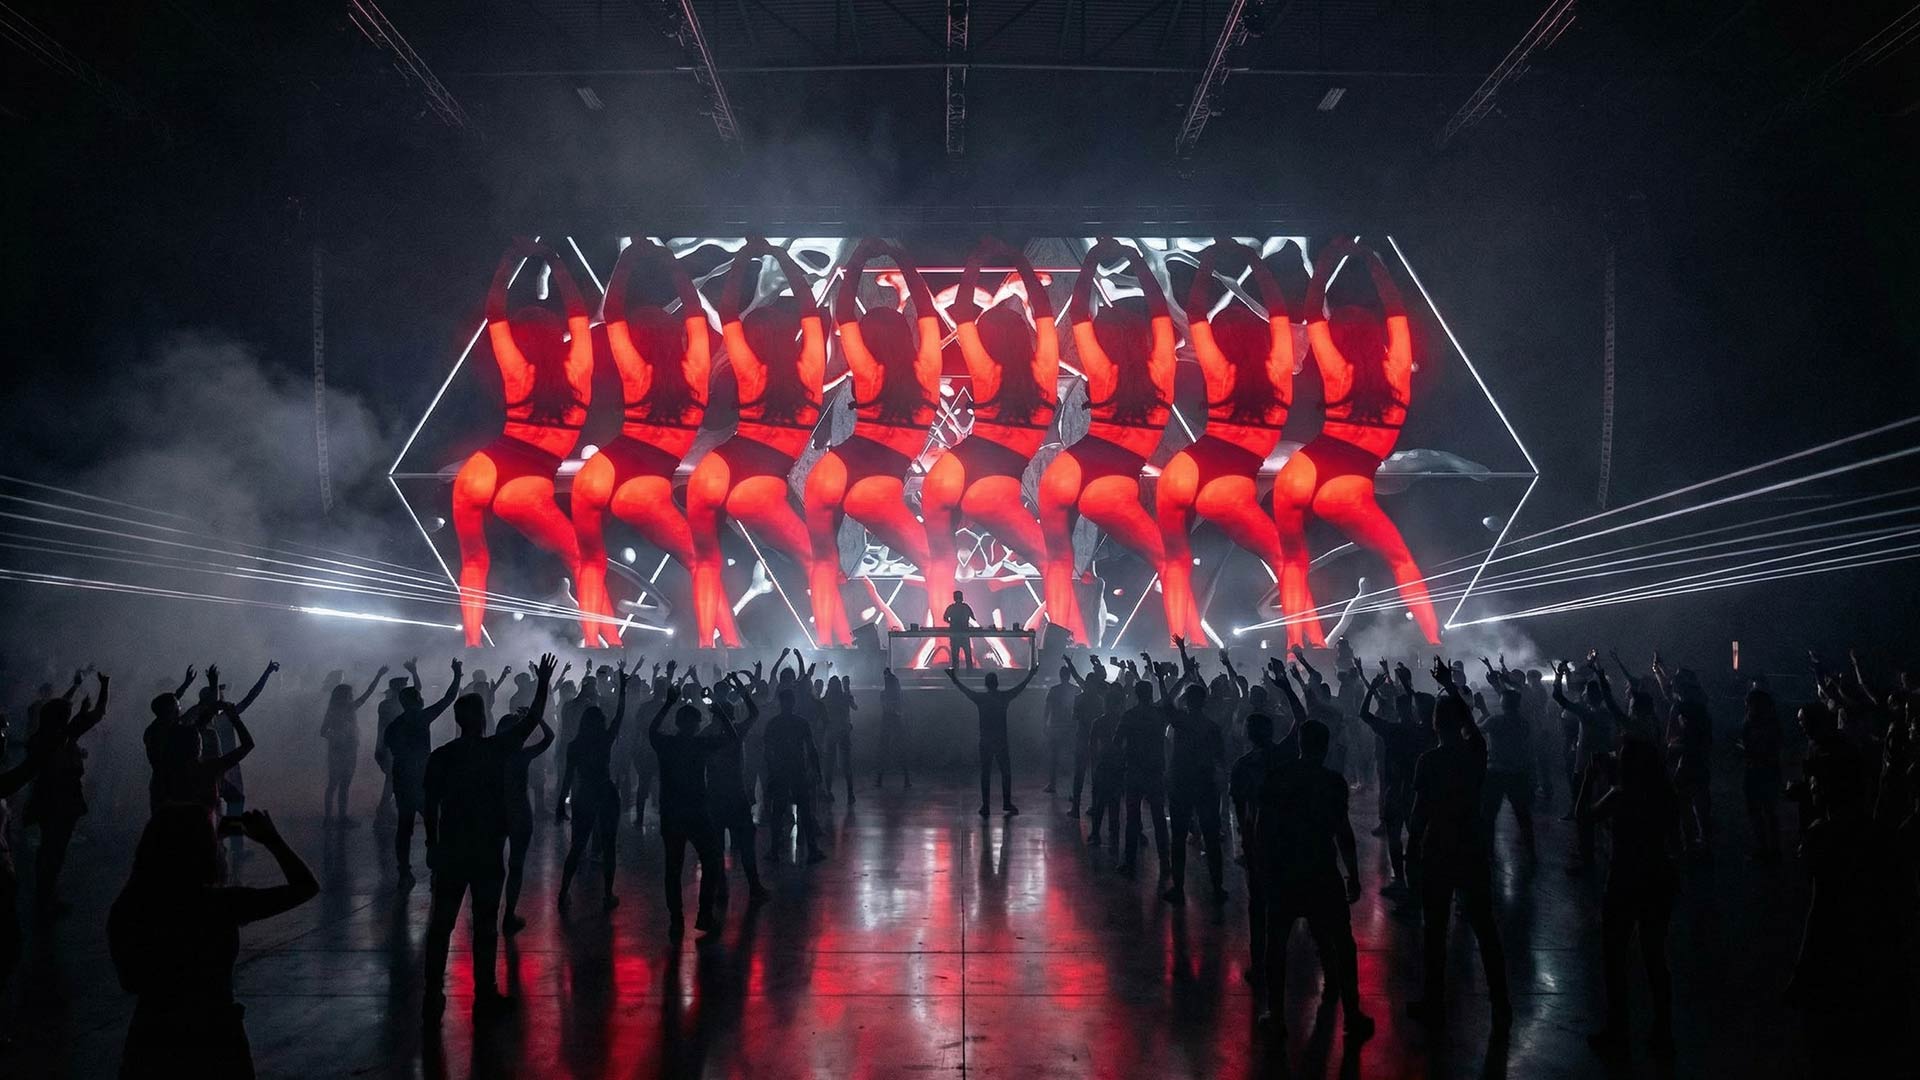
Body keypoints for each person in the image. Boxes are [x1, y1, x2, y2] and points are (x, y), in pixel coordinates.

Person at [1272, 237, 1439, 647]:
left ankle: (1295, 649)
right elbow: (1395, 310)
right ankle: (1436, 641)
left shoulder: (1338, 366)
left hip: (1310, 465)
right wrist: (1375, 265)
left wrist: (1325, 264)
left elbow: (1314, 313)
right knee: (1401, 560)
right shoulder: (1398, 366)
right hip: (1350, 480)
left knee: (1292, 559)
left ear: (1342, 337)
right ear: (1376, 335)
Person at [573, 239, 737, 647]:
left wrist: (626, 261)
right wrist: (673, 266)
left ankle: (598, 643)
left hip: (608, 467)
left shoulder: (635, 367)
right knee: (700, 561)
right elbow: (696, 313)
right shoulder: (695, 367)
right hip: (645, 482)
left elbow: (612, 314)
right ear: (675, 335)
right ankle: (724, 642)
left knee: (589, 557)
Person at [451, 239, 602, 646]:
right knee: (583, 557)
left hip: (486, 465)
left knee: (474, 560)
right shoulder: (578, 368)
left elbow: (494, 312)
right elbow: (578, 314)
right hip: (528, 478)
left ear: (523, 338)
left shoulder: (516, 366)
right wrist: (556, 263)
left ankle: (472, 644)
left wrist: (507, 262)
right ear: (558, 337)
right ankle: (598, 641)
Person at [686, 238, 826, 646]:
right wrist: (783, 260)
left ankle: (710, 645)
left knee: (705, 561)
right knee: (816, 561)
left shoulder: (749, 369)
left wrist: (747, 258)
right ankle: (834, 644)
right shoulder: (810, 368)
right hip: (761, 480)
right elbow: (810, 311)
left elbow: (730, 312)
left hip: (722, 466)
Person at [109, 806, 318, 1077]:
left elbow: (129, 981)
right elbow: (305, 887)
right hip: (217, 1038)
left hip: (151, 1038)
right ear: (204, 855)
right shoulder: (218, 906)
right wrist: (272, 840)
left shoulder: (130, 908)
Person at [1159, 240, 1298, 644]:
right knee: (1287, 562)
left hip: (1192, 463)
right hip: (1231, 476)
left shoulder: (1219, 366)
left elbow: (1196, 313)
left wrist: (1207, 265)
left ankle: (1181, 645)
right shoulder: (1278, 368)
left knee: (1175, 561)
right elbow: (1279, 313)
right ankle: (1301, 646)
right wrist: (1256, 263)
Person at [1038, 238, 1175, 645]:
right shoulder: (1161, 369)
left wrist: (1091, 263)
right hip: (1113, 478)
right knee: (1168, 562)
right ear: (1142, 338)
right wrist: (1139, 263)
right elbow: (1161, 312)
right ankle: (1184, 644)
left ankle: (1062, 645)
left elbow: (1079, 314)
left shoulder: (1102, 370)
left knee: (1058, 562)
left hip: (1072, 466)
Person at [805, 240, 944, 641]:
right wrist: (904, 259)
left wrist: (858, 259)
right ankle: (944, 641)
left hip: (837, 466)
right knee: (934, 561)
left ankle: (830, 644)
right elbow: (927, 313)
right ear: (904, 334)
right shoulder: (927, 368)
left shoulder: (866, 369)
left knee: (824, 561)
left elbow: (844, 313)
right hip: (879, 480)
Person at [920, 237, 1058, 625]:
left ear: (989, 340)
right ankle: (1068, 641)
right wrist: (1020, 265)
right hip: (997, 479)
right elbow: (1044, 313)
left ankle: (944, 642)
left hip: (955, 467)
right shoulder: (1045, 370)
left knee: (940, 561)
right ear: (1024, 336)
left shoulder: (986, 370)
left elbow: (964, 312)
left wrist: (976, 261)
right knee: (1051, 562)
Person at [420, 654, 553, 1019]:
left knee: (441, 924)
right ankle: (486, 992)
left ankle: (432, 995)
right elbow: (532, 721)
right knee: (485, 923)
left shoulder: (442, 756)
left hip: (452, 849)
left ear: (457, 720)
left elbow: (430, 804)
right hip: (487, 849)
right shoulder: (496, 749)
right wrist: (543, 682)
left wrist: (431, 843)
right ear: (482, 719)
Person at [1406, 662, 1512, 1033]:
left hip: (1438, 846)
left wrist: (1412, 851)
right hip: (1471, 843)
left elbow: (1419, 813)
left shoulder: (1429, 761)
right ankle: (1501, 1002)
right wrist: (1450, 687)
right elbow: (1471, 727)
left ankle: (1434, 1001)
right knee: (1484, 926)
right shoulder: (1475, 753)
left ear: (1435, 724)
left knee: (1435, 929)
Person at [1255, 718, 1373, 1042]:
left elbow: (1262, 829)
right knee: (1342, 942)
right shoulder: (1333, 783)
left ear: (1299, 744)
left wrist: (1263, 870)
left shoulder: (1278, 777)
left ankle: (1276, 1015)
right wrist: (1353, 874)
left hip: (1284, 872)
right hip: (1322, 870)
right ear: (1326, 746)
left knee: (1277, 944)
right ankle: (1352, 1013)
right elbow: (1343, 832)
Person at [1586, 739, 1678, 1058]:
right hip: (1658, 876)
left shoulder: (1620, 795)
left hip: (1624, 878)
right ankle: (1663, 1028)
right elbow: (1675, 842)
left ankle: (1618, 1027)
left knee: (1614, 955)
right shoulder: (1665, 795)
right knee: (1655, 956)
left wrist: (1591, 778)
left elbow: (1585, 815)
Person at [649, 668, 743, 939]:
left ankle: (676, 919)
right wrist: (719, 710)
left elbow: (651, 730)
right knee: (711, 860)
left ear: (679, 723)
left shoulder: (667, 744)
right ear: (695, 723)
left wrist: (668, 703)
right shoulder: (700, 745)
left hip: (672, 811)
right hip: (697, 811)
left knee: (673, 867)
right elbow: (734, 738)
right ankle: (703, 914)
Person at [1228, 683, 1299, 987]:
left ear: (1248, 734)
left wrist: (1244, 845)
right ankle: (1279, 963)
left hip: (1259, 840)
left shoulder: (1242, 766)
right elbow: (1301, 719)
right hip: (1286, 838)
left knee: (1257, 905)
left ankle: (1260, 966)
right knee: (1282, 905)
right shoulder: (1283, 755)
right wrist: (1287, 688)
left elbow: (1239, 811)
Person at [26, 671, 108, 919]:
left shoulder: (46, 737)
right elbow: (96, 714)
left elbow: (88, 715)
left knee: (51, 849)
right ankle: (44, 898)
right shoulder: (60, 737)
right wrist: (104, 687)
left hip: (50, 797)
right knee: (54, 849)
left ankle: (45, 895)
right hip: (59, 799)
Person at [1153, 646, 1228, 904]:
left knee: (1178, 837)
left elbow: (1166, 705)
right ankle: (1217, 888)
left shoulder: (1182, 722)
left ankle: (1179, 888)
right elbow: (1221, 759)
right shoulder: (1212, 727)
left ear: (1188, 701)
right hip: (1205, 783)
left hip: (1183, 782)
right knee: (1211, 838)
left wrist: (1162, 679)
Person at [555, 661, 631, 913]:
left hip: (584, 793)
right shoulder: (604, 739)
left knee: (577, 845)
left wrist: (560, 803)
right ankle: (607, 894)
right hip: (605, 791)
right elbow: (619, 717)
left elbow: (568, 776)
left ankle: (563, 891)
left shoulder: (575, 745)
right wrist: (622, 690)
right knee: (608, 846)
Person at [386, 659, 463, 882]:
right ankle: (435, 865)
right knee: (432, 822)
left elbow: (391, 750)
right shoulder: (421, 717)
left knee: (405, 826)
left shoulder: (394, 725)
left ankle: (404, 869)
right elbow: (448, 699)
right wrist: (457, 674)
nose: (422, 699)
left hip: (403, 777)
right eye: (419, 697)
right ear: (415, 701)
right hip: (422, 777)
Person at [705, 674, 767, 909]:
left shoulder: (707, 733)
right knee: (745, 842)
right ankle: (754, 886)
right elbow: (754, 713)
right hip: (735, 794)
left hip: (715, 794)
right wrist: (742, 688)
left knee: (717, 845)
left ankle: (722, 887)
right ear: (731, 716)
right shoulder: (736, 732)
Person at [500, 682, 557, 935]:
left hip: (496, 811)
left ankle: (488, 913)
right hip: (519, 812)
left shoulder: (490, 751)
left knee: (492, 865)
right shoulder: (520, 755)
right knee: (516, 865)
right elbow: (549, 738)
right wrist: (538, 719)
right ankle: (509, 914)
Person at [947, 665, 1038, 817]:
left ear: (986, 684)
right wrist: (1030, 675)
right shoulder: (1003, 697)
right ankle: (1006, 802)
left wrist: (954, 679)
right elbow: (1020, 688)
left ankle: (986, 806)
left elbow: (965, 691)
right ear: (997, 683)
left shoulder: (981, 699)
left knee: (986, 773)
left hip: (986, 741)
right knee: (1005, 773)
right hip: (1001, 740)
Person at [762, 679, 827, 865]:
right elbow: (811, 749)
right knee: (804, 810)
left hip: (783, 770)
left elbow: (767, 750)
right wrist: (816, 770)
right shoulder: (800, 723)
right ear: (792, 702)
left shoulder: (774, 723)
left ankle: (774, 849)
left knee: (779, 811)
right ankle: (811, 849)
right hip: (796, 770)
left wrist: (772, 770)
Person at [1114, 678, 1172, 882]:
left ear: (1136, 694)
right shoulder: (1159, 714)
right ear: (1150, 694)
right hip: (1155, 771)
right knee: (1159, 818)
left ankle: (1130, 862)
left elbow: (1116, 742)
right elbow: (1169, 702)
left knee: (1132, 818)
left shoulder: (1130, 715)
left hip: (1134, 771)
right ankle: (1165, 862)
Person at [320, 666, 386, 826]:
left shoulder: (334, 710)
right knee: (340, 785)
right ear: (344, 696)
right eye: (350, 694)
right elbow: (368, 693)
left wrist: (334, 736)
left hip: (342, 749)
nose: (352, 696)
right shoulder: (348, 708)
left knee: (336, 784)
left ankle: (331, 817)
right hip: (343, 750)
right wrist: (378, 675)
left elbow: (323, 731)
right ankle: (337, 817)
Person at [1479, 684, 1537, 857]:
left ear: (1503, 702)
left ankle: (1488, 852)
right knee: (1522, 813)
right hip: (1517, 772)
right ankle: (1531, 851)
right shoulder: (1523, 722)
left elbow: (1476, 729)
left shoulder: (1495, 720)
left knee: (1489, 814)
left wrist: (1482, 709)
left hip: (1496, 772)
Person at [1737, 687, 1784, 861]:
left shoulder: (1754, 723)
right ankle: (1772, 847)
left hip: (1758, 770)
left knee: (1758, 811)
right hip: (1768, 770)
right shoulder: (1771, 722)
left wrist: (1747, 750)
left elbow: (1757, 747)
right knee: (1768, 811)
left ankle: (1764, 847)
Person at [373, 668, 414, 829]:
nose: (406, 688)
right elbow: (383, 728)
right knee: (392, 781)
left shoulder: (390, 704)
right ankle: (383, 812)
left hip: (395, 747)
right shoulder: (389, 705)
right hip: (392, 748)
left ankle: (387, 811)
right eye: (404, 686)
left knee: (397, 781)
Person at [1065, 656, 1107, 815]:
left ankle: (1076, 808)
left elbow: (1074, 718)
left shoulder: (1081, 698)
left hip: (1083, 739)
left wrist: (1070, 663)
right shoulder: (1100, 699)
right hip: (1095, 741)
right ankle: (1094, 806)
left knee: (1080, 773)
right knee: (1094, 774)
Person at [820, 676, 856, 804]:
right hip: (843, 732)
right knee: (846, 764)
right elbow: (854, 707)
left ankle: (829, 791)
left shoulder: (826, 700)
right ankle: (850, 793)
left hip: (831, 733)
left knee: (830, 764)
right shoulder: (844, 697)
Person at [1042, 664, 1078, 794]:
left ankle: (1053, 784)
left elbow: (1047, 708)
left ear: (1060, 675)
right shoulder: (1075, 690)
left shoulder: (1054, 690)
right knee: (1070, 757)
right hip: (1070, 727)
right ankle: (1072, 786)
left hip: (1056, 727)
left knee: (1054, 756)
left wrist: (1044, 724)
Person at [876, 667, 910, 789]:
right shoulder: (896, 694)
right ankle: (906, 778)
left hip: (888, 723)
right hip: (895, 723)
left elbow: (887, 708)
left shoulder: (884, 694)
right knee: (899, 751)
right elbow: (899, 709)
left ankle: (880, 779)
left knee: (885, 751)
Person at [943, 590, 979, 671]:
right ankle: (969, 672)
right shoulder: (966, 607)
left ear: (954, 598)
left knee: (955, 656)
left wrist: (951, 622)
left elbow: (945, 618)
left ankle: (956, 672)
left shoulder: (951, 607)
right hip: (964, 634)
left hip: (955, 635)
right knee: (967, 655)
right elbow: (973, 618)